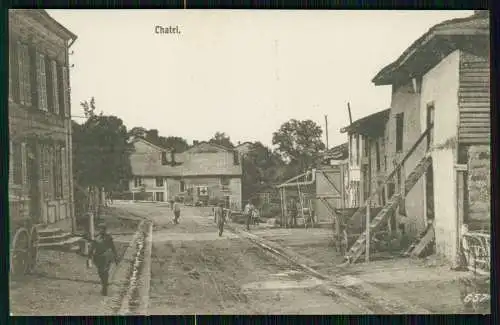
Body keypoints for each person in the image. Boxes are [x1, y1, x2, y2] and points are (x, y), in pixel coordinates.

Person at [88, 223, 118, 296]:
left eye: (102, 229)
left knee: (105, 271)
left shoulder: (108, 238)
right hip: (98, 257)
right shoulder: (96, 238)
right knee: (100, 272)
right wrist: (89, 257)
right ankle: (104, 283)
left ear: (105, 230)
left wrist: (116, 257)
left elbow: (113, 247)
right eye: (99, 229)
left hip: (106, 256)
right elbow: (92, 248)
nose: (101, 230)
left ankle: (104, 287)